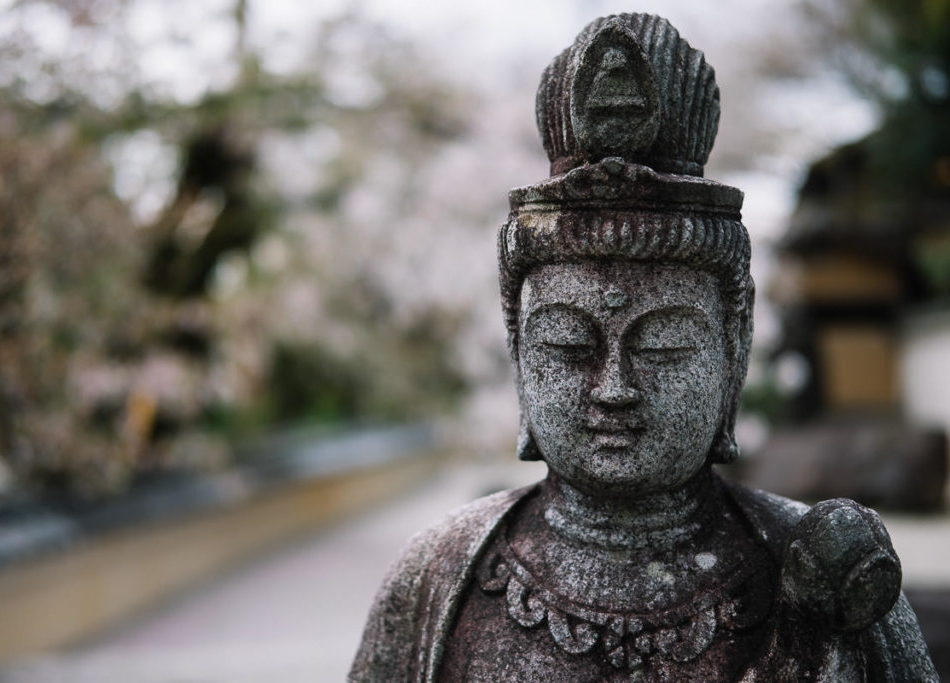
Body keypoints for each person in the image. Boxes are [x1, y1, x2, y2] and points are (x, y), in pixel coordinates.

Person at [350, 14, 936, 682]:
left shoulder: (817, 567)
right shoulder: (437, 575)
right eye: (568, 342)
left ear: (733, 350)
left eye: (663, 345)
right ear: (519, 352)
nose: (614, 387)